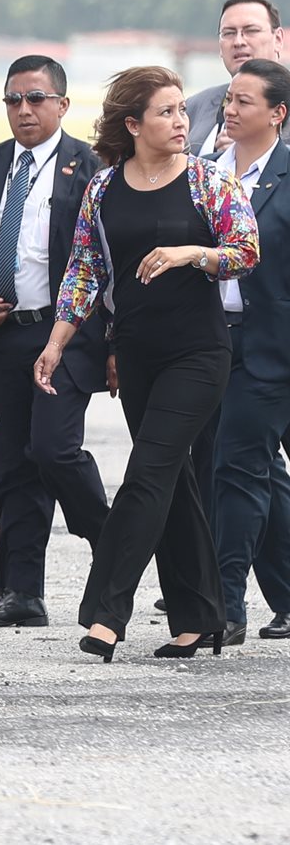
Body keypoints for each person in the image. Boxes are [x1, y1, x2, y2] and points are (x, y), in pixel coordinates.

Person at [35, 66, 259, 663]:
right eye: (166, 112)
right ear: (133, 125)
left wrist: (194, 253)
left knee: (149, 472)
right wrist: (57, 342)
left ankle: (107, 612)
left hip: (199, 352)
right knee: (174, 483)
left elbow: (246, 251)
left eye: (183, 110)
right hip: (135, 352)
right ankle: (201, 617)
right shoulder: (103, 188)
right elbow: (85, 270)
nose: (181, 121)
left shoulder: (211, 182)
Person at [0, 55, 109, 629]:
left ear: (62, 105)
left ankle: (112, 541)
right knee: (11, 461)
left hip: (64, 333)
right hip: (2, 335)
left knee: (53, 449)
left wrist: (109, 345)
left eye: (36, 98)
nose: (23, 110)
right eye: (13, 100)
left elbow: (104, 261)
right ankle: (23, 592)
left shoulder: (89, 168)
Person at [208, 59, 290, 645]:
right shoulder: (210, 173)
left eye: (243, 102)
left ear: (278, 113)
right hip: (213, 341)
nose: (229, 110)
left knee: (237, 469)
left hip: (272, 348)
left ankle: (224, 605)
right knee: (251, 471)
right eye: (228, 100)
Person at [186, 0, 284, 156]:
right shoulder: (196, 106)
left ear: (278, 39)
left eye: (251, 30)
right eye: (229, 33)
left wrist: (254, 149)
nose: (239, 41)